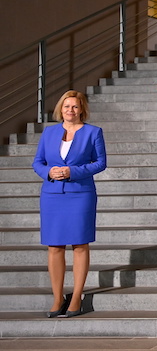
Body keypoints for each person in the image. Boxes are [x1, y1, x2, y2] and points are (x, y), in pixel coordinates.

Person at [32, 90, 107, 318]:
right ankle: (57, 298)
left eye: (75, 107)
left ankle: (76, 297)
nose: (70, 111)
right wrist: (49, 172)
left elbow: (100, 163)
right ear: (60, 109)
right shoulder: (49, 133)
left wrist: (72, 171)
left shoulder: (93, 132)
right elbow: (37, 162)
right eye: (67, 107)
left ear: (81, 109)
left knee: (79, 244)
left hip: (80, 194)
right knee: (54, 246)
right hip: (52, 195)